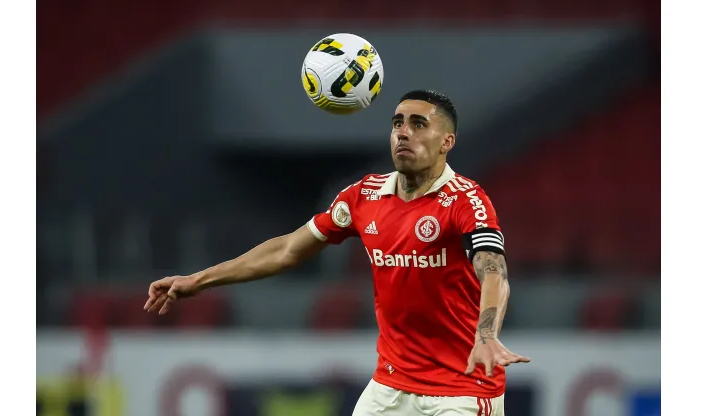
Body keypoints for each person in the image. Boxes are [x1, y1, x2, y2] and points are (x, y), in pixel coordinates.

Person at [144, 90, 530, 415]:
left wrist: (486, 334)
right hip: (390, 386)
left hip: (462, 389)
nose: (403, 133)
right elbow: (286, 250)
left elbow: (494, 271)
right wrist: (198, 280)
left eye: (418, 124)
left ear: (447, 142)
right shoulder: (363, 196)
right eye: (397, 123)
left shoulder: (465, 200)